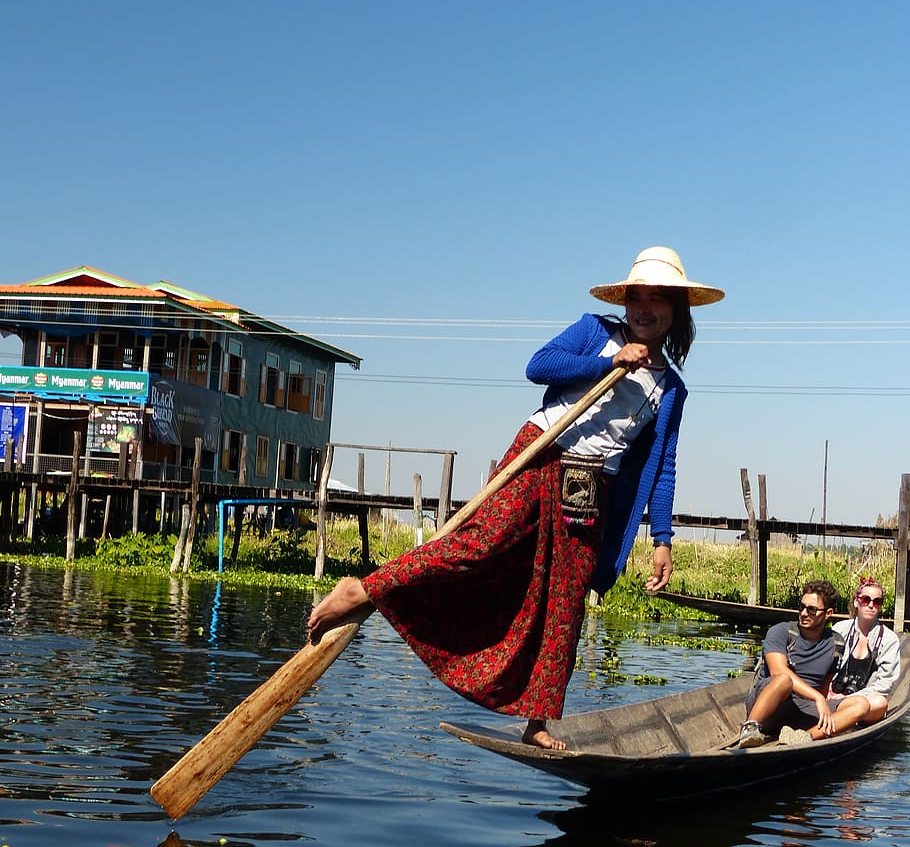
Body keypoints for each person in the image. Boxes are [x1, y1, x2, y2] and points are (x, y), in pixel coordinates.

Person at [308, 246, 724, 749]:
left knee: (563, 603)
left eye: (657, 300)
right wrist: (611, 361)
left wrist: (662, 538)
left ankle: (538, 718)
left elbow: (662, 467)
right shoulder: (596, 331)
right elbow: (538, 366)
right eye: (637, 297)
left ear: (676, 310)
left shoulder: (671, 389)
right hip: (541, 455)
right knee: (479, 543)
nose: (644, 308)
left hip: (591, 489)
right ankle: (365, 589)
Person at [738, 579, 847, 748]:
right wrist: (817, 697)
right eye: (801, 607)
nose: (803, 613)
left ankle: (805, 736)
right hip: (768, 706)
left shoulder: (836, 643)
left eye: (811, 610)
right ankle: (750, 728)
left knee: (860, 705)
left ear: (828, 613)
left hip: (800, 709)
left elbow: (824, 685)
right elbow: (777, 672)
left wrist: (823, 700)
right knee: (784, 679)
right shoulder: (781, 632)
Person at [826, 576, 901, 727]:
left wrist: (849, 698)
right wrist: (827, 690)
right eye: (866, 599)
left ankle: (834, 722)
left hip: (862, 702)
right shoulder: (839, 630)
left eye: (877, 601)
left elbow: (885, 684)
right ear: (856, 601)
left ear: (880, 606)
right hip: (830, 696)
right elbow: (824, 665)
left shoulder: (888, 639)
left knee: (880, 703)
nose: (871, 605)